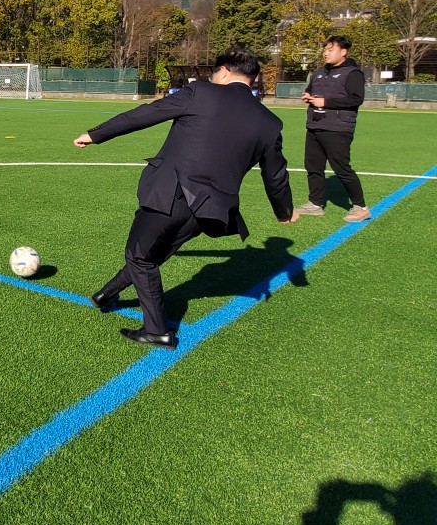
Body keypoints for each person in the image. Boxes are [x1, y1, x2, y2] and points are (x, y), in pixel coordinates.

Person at [73, 47, 298, 350]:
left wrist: (96, 134)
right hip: (210, 210)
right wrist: (284, 211)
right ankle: (107, 294)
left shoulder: (201, 92)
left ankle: (157, 331)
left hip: (172, 190)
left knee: (140, 256)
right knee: (153, 253)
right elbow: (276, 174)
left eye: (215, 72)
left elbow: (146, 114)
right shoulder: (269, 123)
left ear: (225, 71)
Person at [297, 35, 370, 222]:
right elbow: (312, 90)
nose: (326, 53)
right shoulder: (319, 72)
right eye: (325, 49)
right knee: (313, 166)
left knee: (341, 168)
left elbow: (356, 99)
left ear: (343, 52)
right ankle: (315, 203)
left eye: (331, 49)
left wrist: (326, 102)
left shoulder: (352, 73)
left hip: (338, 128)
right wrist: (308, 95)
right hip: (314, 125)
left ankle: (360, 206)